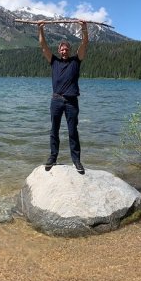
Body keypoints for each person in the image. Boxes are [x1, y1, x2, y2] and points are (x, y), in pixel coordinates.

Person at [38, 21, 89, 174]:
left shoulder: (76, 61)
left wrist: (84, 28)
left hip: (72, 101)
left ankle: (76, 161)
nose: (64, 50)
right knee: (54, 130)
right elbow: (43, 46)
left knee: (73, 131)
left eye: (66, 48)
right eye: (62, 48)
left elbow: (85, 43)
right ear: (59, 50)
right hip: (56, 100)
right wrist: (40, 29)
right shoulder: (54, 62)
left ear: (69, 50)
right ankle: (53, 157)